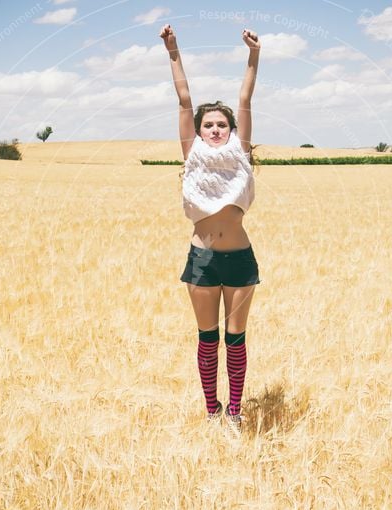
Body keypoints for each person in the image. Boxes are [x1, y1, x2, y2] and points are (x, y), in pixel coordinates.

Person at [160, 24, 261, 435]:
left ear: (233, 131)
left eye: (222, 124)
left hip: (239, 260)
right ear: (198, 131)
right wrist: (173, 47)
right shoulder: (193, 153)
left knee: (234, 339)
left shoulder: (240, 151)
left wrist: (254, 55)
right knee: (207, 338)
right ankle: (211, 409)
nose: (215, 129)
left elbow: (245, 98)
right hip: (202, 260)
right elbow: (184, 99)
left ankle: (234, 412)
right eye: (208, 125)